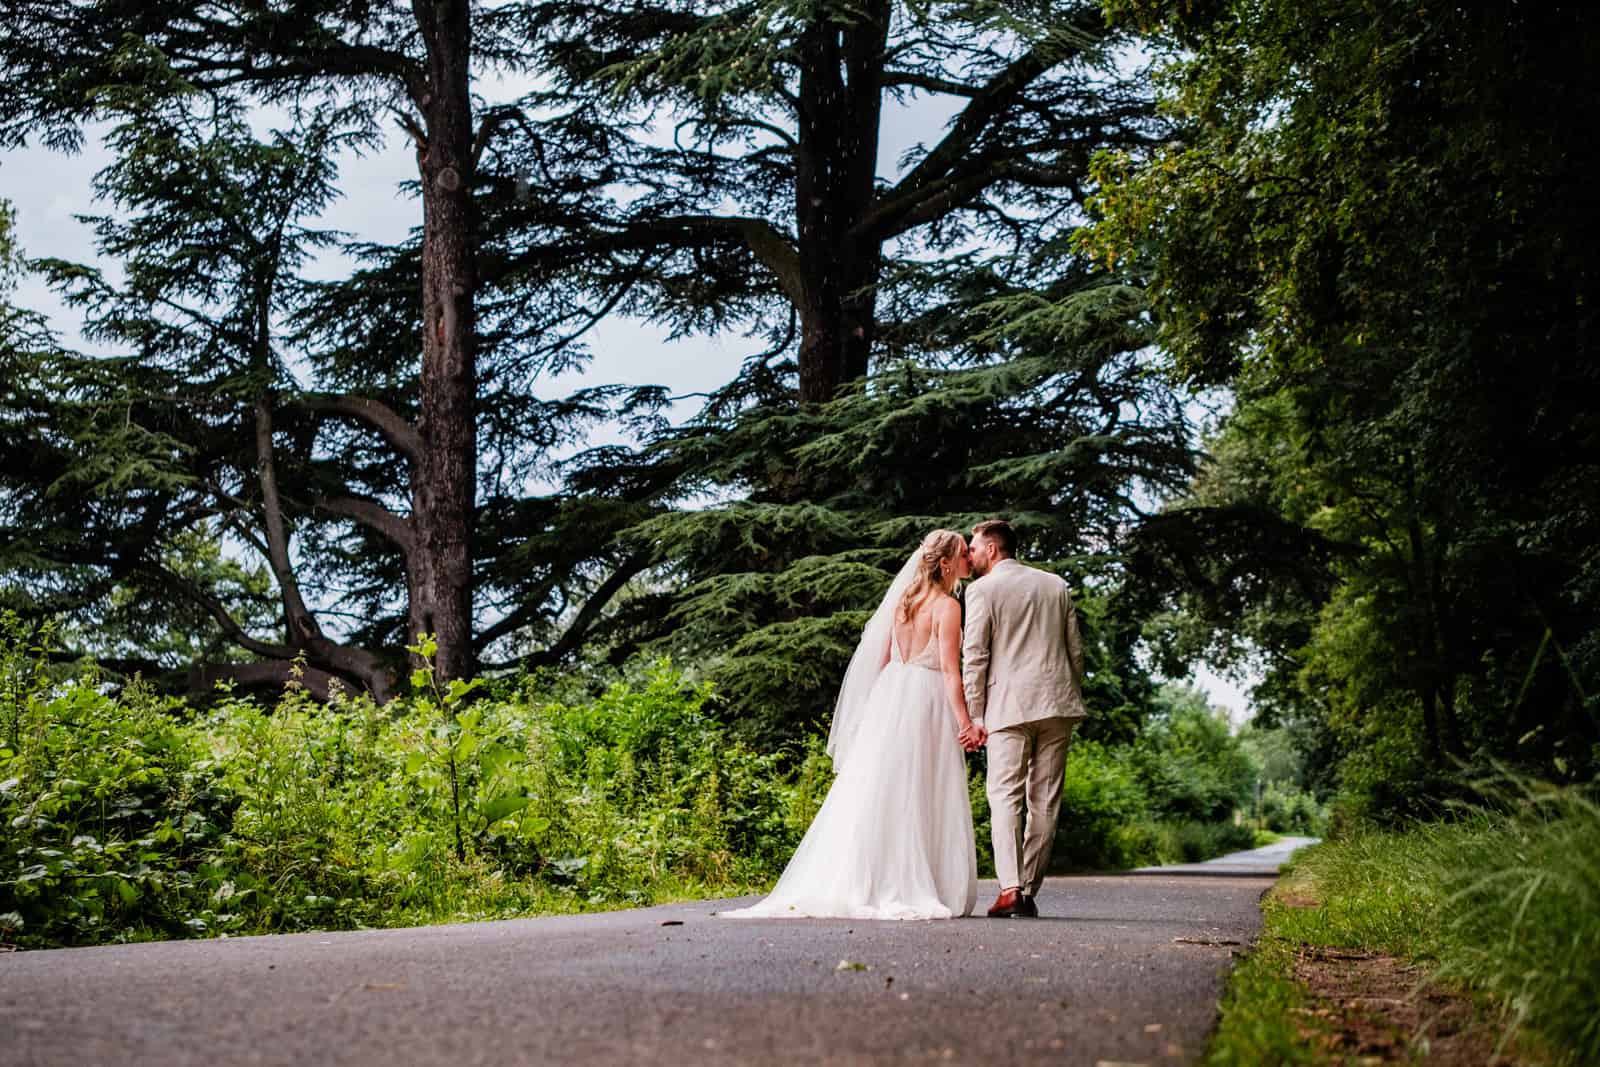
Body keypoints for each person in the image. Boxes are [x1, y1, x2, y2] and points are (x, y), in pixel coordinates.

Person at [719, 530, 980, 920]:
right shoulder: (946, 606)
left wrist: (874, 710)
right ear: (945, 564)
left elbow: (884, 661)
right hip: (925, 699)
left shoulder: (904, 602)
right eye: (962, 554)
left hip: (891, 693)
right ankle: (914, 882)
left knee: (882, 788)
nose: (968, 560)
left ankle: (864, 878)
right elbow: (948, 672)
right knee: (921, 786)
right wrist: (966, 722)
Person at [962, 518, 1087, 919]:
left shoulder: (982, 590)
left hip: (1008, 707)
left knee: (1004, 797)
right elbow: (1076, 652)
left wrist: (974, 713)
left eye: (975, 547)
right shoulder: (1056, 585)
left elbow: (975, 655)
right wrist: (1069, 690)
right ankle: (1029, 891)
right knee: (1045, 801)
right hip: (1058, 703)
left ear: (993, 549)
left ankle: (1010, 888)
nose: (971, 553)